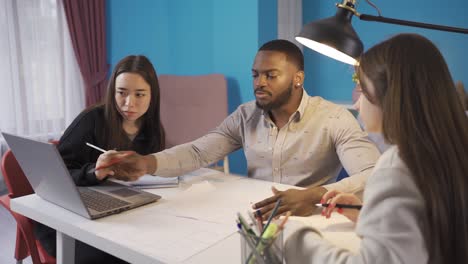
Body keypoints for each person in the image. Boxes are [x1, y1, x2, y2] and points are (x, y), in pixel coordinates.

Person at [97, 39, 380, 219]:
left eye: (271, 75)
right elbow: (198, 152)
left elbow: (372, 174)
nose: (259, 83)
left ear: (297, 79)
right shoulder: (245, 115)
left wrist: (316, 194)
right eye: (256, 74)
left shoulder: (334, 118)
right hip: (254, 218)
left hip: (311, 219)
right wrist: (147, 163)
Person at [284, 33, 468, 263]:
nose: (356, 104)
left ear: (389, 98)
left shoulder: (398, 167)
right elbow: (433, 229)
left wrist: (296, 238)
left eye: (362, 91)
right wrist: (370, 214)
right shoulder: (451, 150)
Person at [34, 55, 165, 263]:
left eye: (140, 94)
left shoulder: (153, 131)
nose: (129, 103)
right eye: (121, 93)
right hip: (69, 220)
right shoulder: (90, 120)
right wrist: (94, 172)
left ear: (153, 96)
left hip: (119, 216)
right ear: (112, 91)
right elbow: (53, 177)